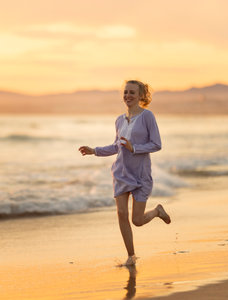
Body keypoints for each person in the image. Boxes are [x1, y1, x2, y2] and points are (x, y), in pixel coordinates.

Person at [78, 80, 171, 266]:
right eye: (126, 92)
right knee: (121, 213)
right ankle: (131, 256)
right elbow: (116, 146)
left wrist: (134, 147)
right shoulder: (119, 120)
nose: (128, 96)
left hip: (140, 175)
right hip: (120, 172)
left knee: (137, 220)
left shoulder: (147, 116)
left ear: (141, 96)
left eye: (132, 93)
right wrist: (94, 150)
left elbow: (156, 144)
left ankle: (157, 211)